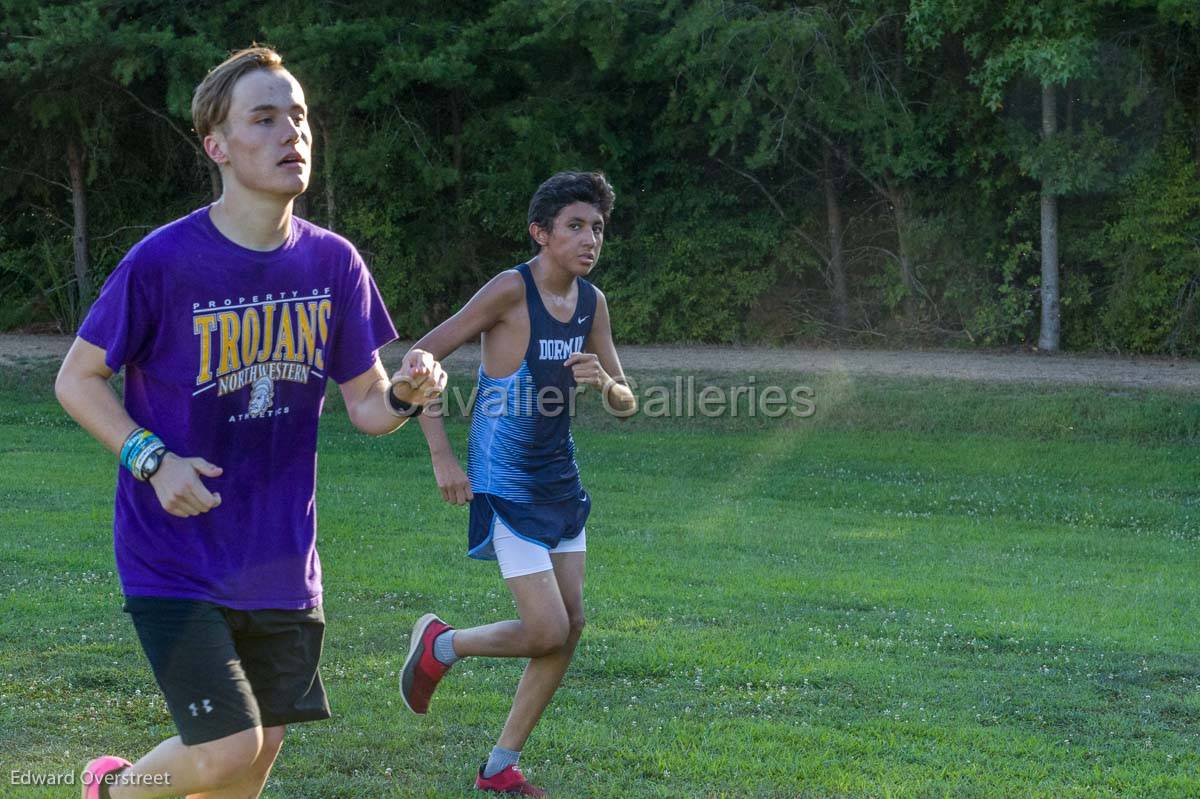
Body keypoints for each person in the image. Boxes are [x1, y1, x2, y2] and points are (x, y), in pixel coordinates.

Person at [55, 46, 445, 799]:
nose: (289, 133)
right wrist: (151, 457)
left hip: (281, 561)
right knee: (230, 744)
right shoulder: (164, 261)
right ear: (219, 146)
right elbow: (77, 378)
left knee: (251, 764)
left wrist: (404, 393)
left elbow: (365, 405)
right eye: (263, 119)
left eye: (296, 116)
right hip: (174, 556)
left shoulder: (333, 265)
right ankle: (109, 791)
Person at [399, 171, 636, 796]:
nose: (590, 240)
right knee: (545, 629)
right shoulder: (510, 290)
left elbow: (626, 402)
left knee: (571, 623)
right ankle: (442, 644)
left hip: (562, 481)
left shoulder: (593, 303)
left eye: (598, 229)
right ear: (541, 233)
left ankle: (500, 765)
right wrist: (441, 455)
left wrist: (606, 386)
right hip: (505, 483)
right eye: (576, 226)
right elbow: (422, 357)